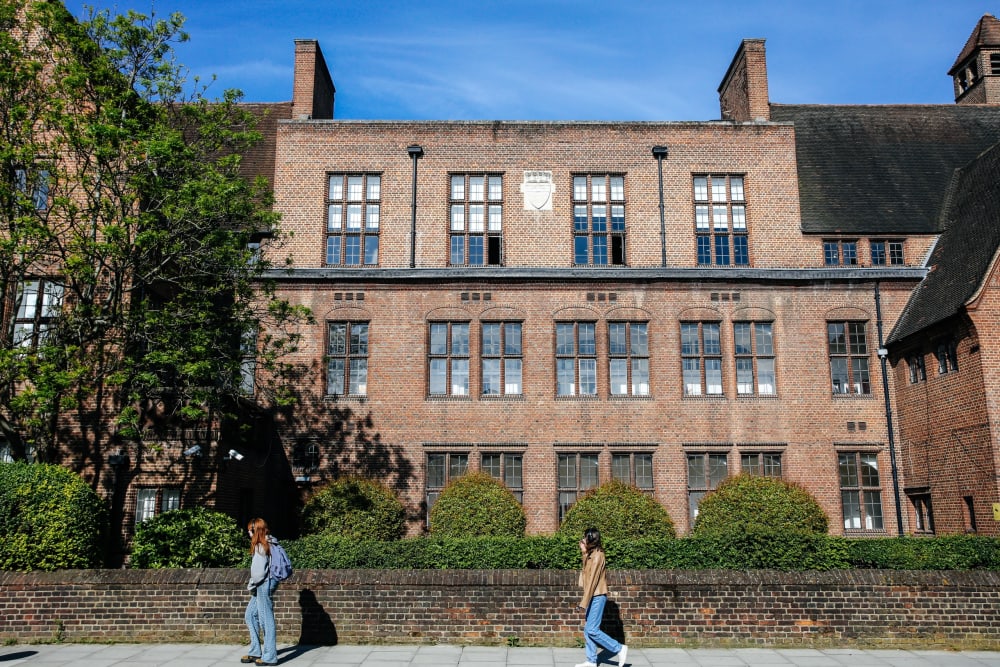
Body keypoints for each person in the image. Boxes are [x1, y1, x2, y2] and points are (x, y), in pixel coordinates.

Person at [574, 527, 627, 667]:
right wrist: (584, 553)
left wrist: (583, 602)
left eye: (586, 537)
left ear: (591, 539)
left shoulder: (598, 556)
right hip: (592, 595)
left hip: (597, 595)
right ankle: (591, 661)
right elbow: (586, 574)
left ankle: (619, 648)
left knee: (592, 629)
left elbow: (592, 582)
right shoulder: (591, 554)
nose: (583, 539)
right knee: (588, 629)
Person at [242, 517, 280, 666]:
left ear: (254, 530)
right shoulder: (271, 541)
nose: (249, 534)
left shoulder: (260, 546)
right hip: (267, 583)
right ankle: (255, 651)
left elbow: (257, 574)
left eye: (249, 531)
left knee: (266, 619)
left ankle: (270, 657)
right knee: (250, 615)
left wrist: (251, 586)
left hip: (264, 584)